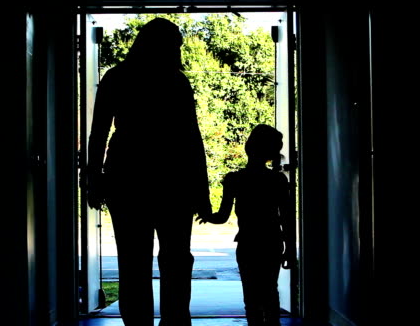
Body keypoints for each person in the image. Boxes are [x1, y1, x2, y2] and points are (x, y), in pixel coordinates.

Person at [86, 17, 212, 326]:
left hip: (126, 178)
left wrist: (92, 179)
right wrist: (202, 191)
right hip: (174, 182)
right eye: (177, 45)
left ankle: (139, 323)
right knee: (177, 260)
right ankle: (175, 321)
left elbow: (98, 133)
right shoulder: (176, 82)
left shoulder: (116, 78)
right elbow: (191, 139)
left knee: (132, 262)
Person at [196, 124, 294, 326]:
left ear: (249, 147)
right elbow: (286, 217)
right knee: (270, 292)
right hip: (271, 242)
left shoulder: (235, 179)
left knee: (251, 296)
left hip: (248, 242)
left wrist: (207, 215)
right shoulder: (277, 180)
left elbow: (222, 217)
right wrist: (290, 249)